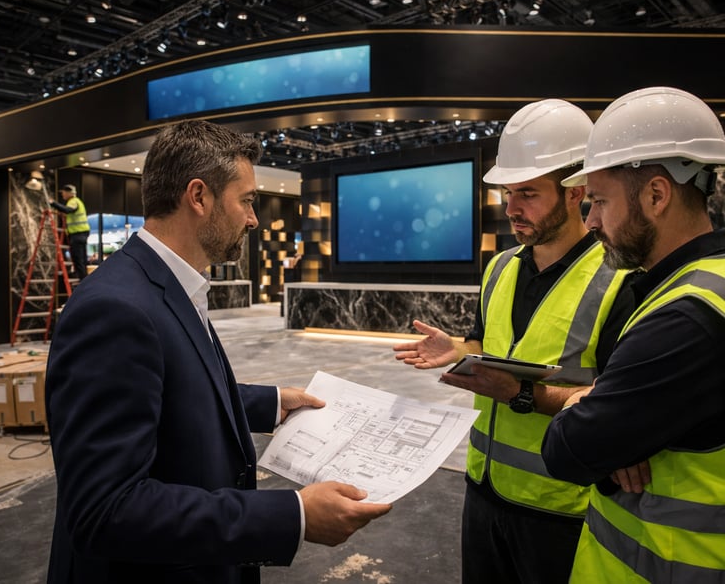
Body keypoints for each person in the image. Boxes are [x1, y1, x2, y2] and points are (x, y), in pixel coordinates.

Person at [44, 120, 391, 584]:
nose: (253, 218)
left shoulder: (164, 285)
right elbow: (106, 509)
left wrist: (267, 403)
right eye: (246, 200)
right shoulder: (114, 309)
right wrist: (293, 515)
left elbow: (167, 385)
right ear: (199, 196)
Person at [393, 99, 637, 583]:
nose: (511, 209)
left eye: (528, 193)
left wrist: (521, 393)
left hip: (561, 506)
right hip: (483, 490)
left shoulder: (621, 280)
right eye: (508, 193)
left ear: (576, 193)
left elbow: (620, 406)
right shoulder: (500, 267)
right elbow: (487, 345)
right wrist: (459, 351)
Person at [541, 86, 725, 582]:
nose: (592, 220)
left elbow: (567, 450)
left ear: (657, 195)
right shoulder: (712, 282)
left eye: (599, 200)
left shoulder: (684, 319)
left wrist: (583, 400)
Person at [49, 184, 90, 281]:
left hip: (78, 233)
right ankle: (83, 278)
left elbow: (68, 210)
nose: (62, 194)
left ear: (68, 193)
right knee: (81, 259)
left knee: (78, 259)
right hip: (79, 233)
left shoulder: (73, 201)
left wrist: (53, 203)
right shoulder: (76, 201)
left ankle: (82, 280)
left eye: (63, 192)